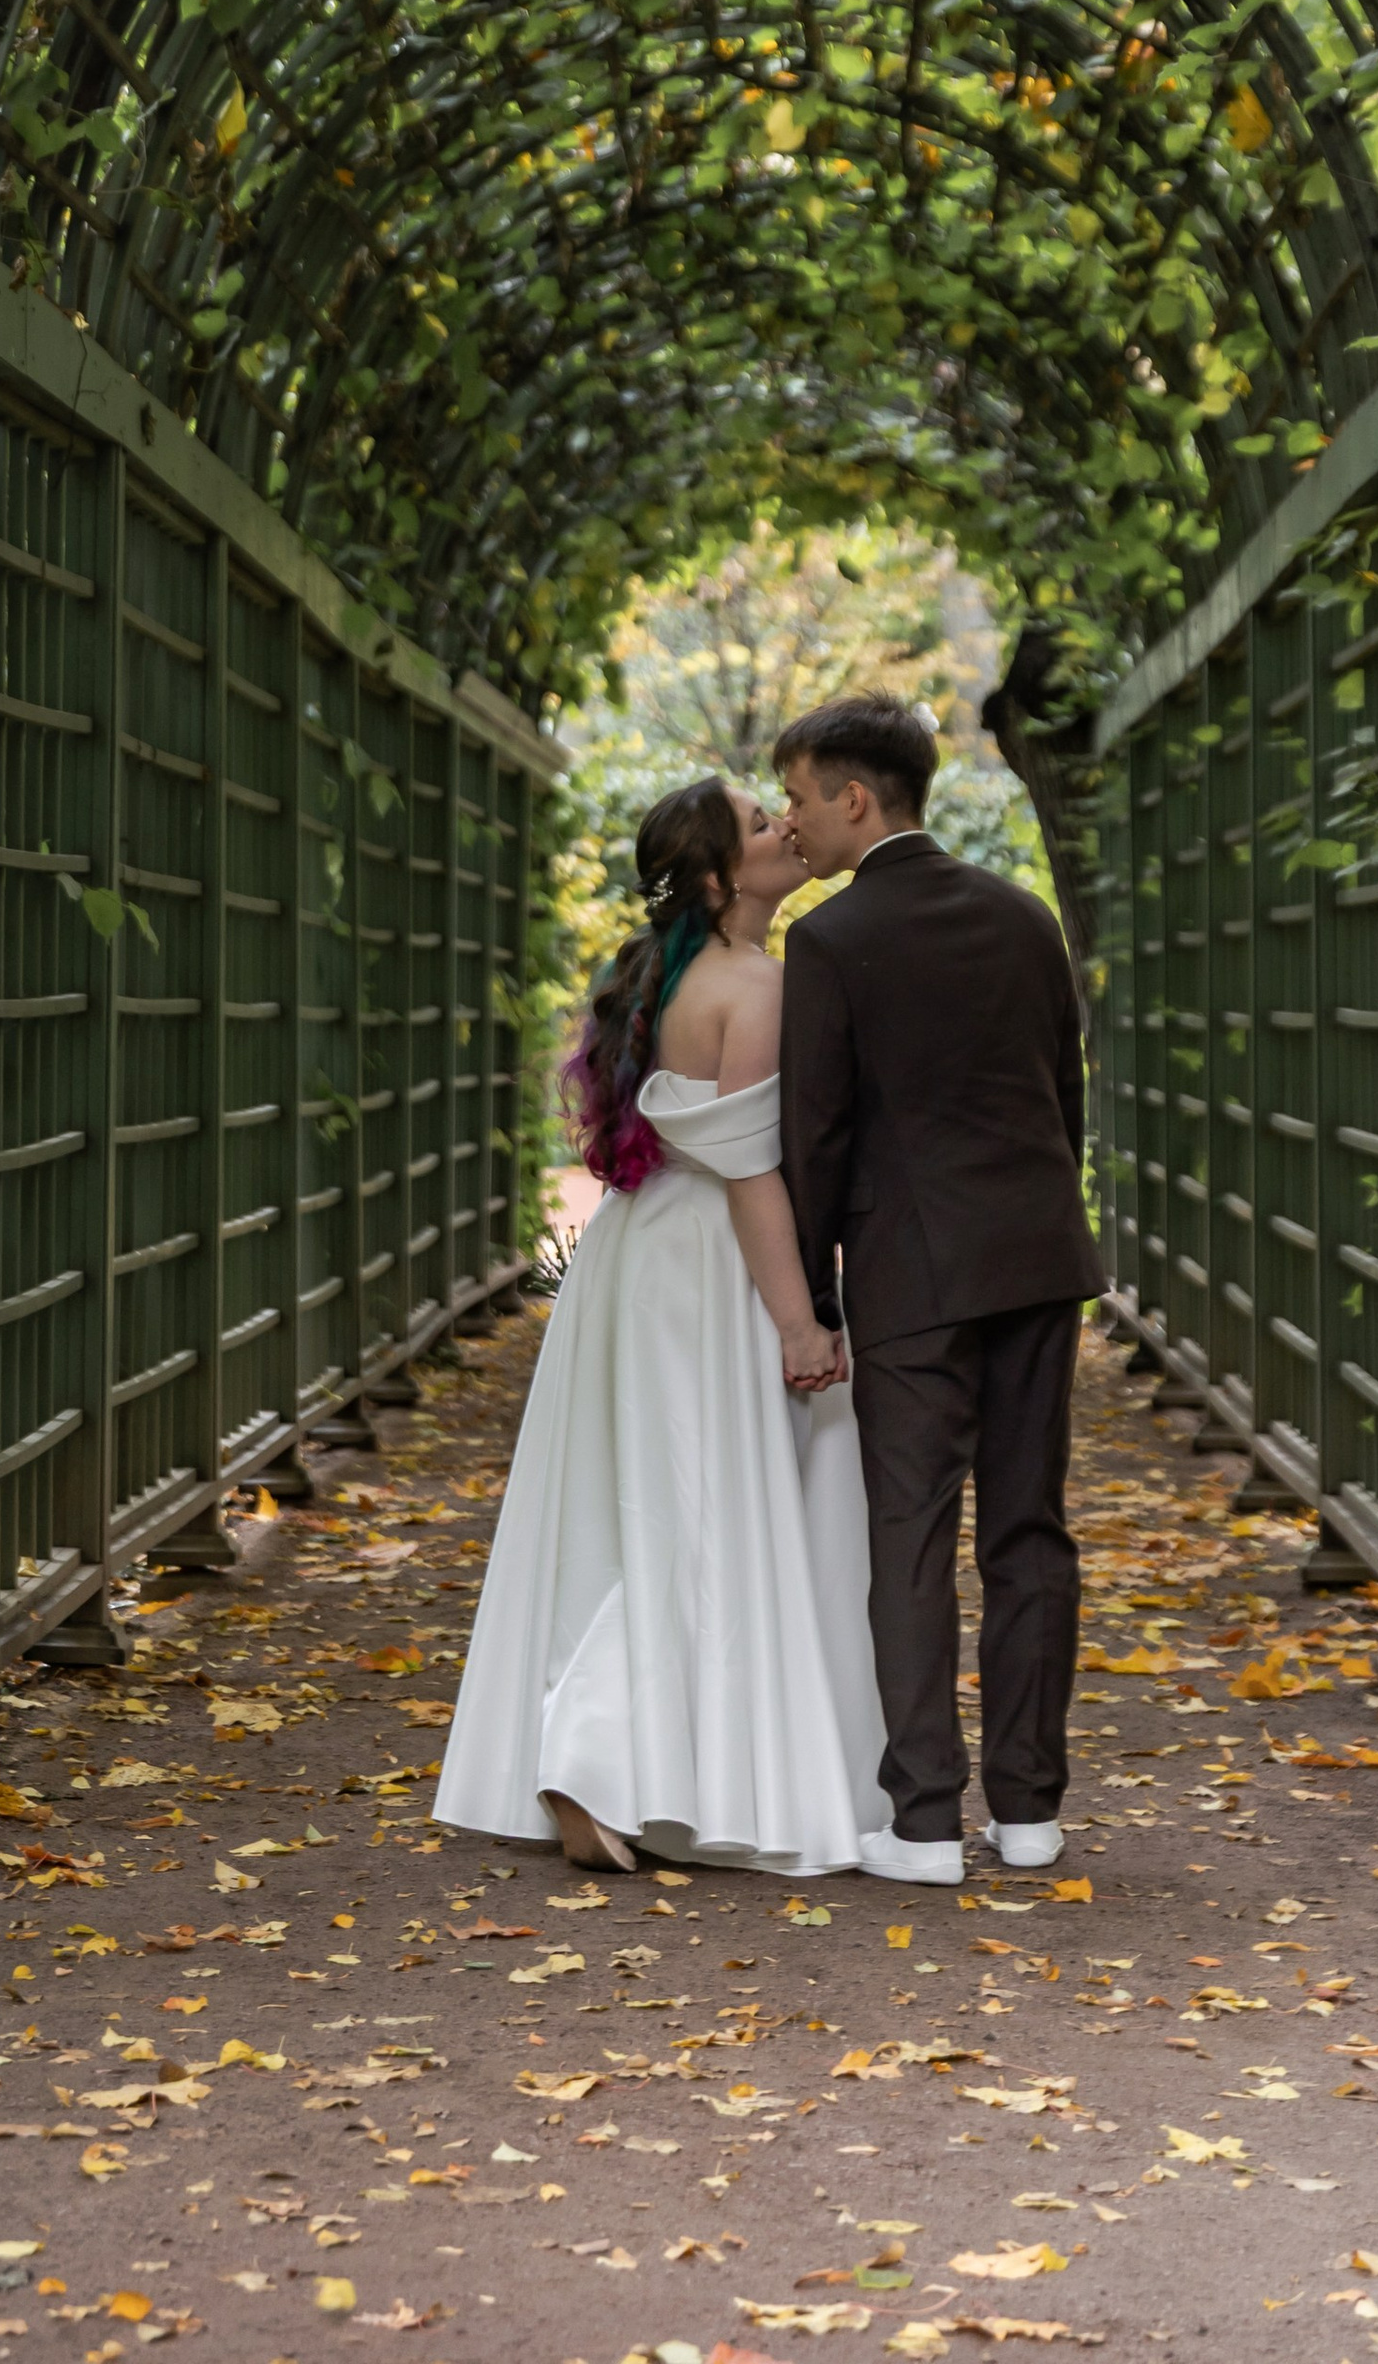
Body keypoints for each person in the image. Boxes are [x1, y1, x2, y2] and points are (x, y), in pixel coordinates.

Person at [435, 776, 891, 1874]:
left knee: (645, 1504)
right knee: (701, 1505)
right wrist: (799, 1321)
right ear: (718, 878)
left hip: (638, 1251)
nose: (785, 826)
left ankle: (611, 1752)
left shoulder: (670, 975)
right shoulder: (756, 984)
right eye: (760, 823)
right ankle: (597, 1756)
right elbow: (749, 1174)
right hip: (710, 1265)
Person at [775, 690, 1104, 1890]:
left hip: (911, 1271)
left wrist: (812, 1298)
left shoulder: (830, 941)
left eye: (800, 798)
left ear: (856, 799)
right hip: (1036, 1257)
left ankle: (921, 1821)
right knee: (1029, 1532)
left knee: (909, 1537)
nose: (791, 822)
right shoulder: (1025, 917)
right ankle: (1028, 1813)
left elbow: (815, 1137)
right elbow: (1061, 1099)